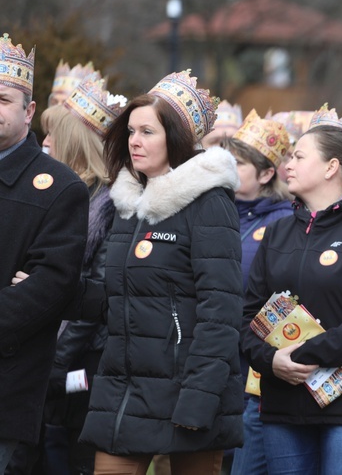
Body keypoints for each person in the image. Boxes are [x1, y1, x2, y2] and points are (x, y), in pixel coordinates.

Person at [64, 70, 244, 474]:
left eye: (147, 131)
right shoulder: (130, 203)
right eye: (130, 131)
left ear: (176, 138)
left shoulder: (209, 203)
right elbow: (120, 299)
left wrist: (199, 397)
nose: (134, 141)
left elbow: (221, 312)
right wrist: (59, 290)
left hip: (189, 390)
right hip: (125, 391)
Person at [242, 104, 342, 475]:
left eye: (299, 156)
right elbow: (246, 315)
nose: (288, 165)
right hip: (283, 401)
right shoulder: (279, 231)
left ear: (331, 167)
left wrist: (304, 354)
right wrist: (271, 361)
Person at [0, 33, 89, 473]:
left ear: (29, 111)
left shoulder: (60, 188)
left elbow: (45, 289)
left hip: (7, 393)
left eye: (2, 99)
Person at [38, 79, 123, 475]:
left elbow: (95, 296)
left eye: (51, 136)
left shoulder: (109, 206)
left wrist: (58, 364)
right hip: (47, 346)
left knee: (70, 452)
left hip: (84, 359)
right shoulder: (62, 193)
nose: (44, 144)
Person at [223, 110, 293, 475]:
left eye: (238, 163)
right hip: (211, 349)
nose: (227, 168)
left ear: (266, 174)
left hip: (254, 355)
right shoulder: (215, 208)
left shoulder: (285, 220)